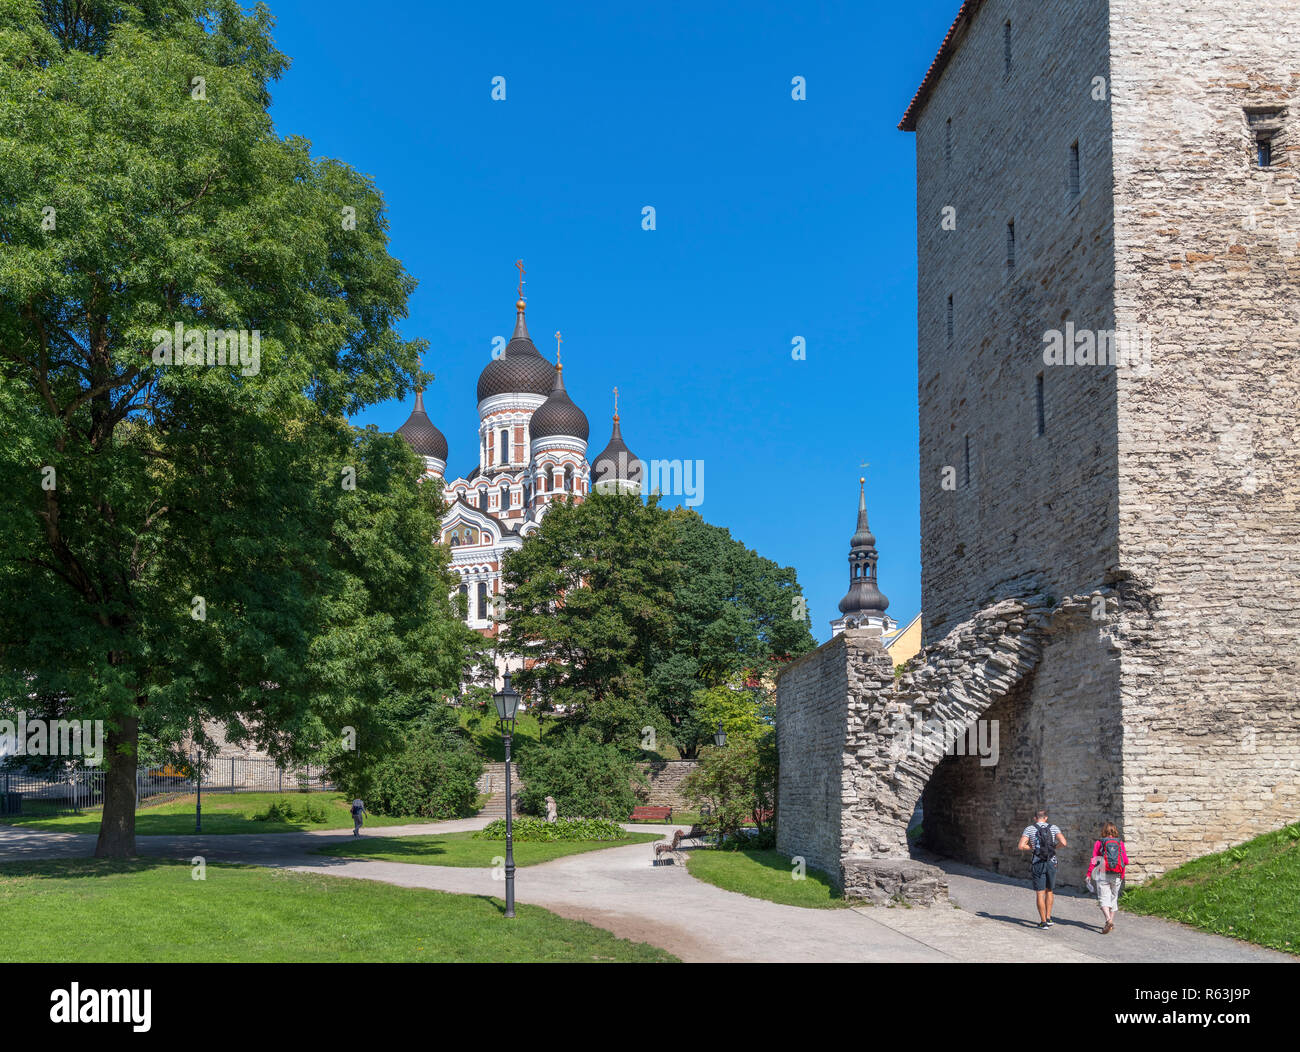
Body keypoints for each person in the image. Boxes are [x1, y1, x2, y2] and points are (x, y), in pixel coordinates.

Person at [1017, 809, 1067, 929]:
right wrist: (1054, 848)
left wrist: (1033, 847)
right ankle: (1049, 918)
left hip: (1038, 862)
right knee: (1049, 890)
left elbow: (1021, 846)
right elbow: (1064, 843)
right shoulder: (1053, 827)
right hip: (1052, 862)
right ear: (1046, 818)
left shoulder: (1029, 828)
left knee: (1040, 893)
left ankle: (1043, 922)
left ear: (1035, 818)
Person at [1085, 821, 1128, 934]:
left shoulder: (1099, 842)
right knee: (1113, 898)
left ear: (1103, 831)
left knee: (1103, 898)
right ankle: (1111, 922)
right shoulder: (1120, 843)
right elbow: (1126, 860)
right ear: (1115, 831)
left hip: (1103, 873)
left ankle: (1108, 920)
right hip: (1117, 874)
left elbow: (1094, 860)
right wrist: (1122, 874)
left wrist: (1089, 874)